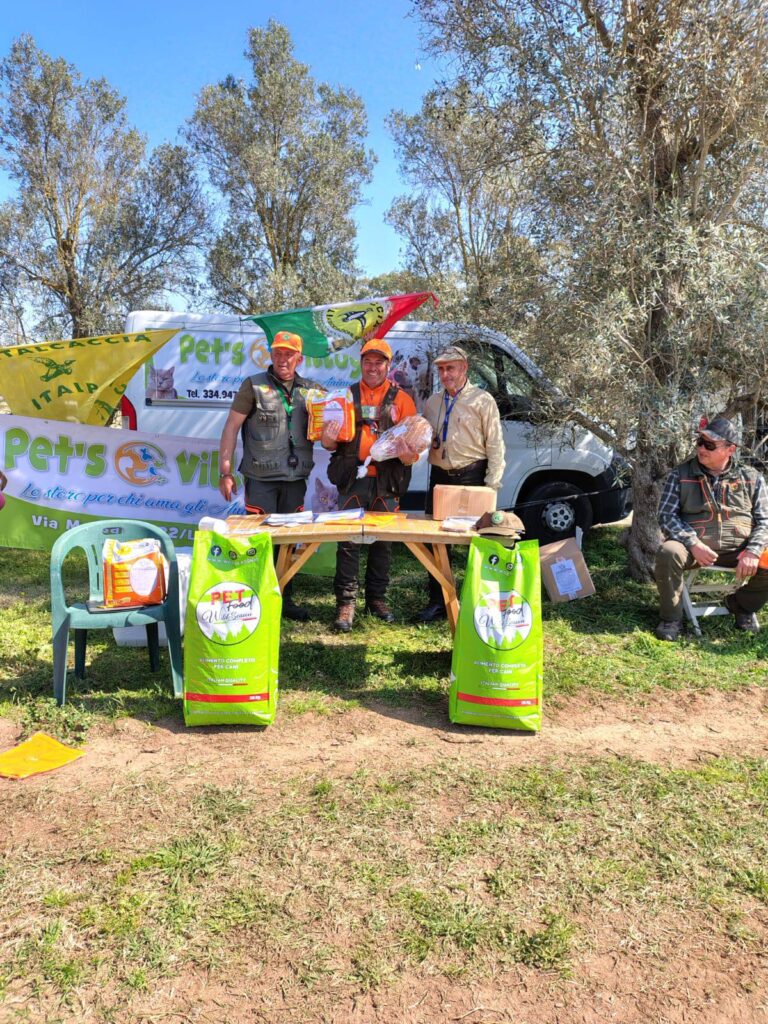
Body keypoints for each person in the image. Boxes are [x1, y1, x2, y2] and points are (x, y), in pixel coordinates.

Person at [218, 330, 318, 621]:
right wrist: (225, 471)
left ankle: (285, 600)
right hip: (260, 479)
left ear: (299, 358)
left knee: (288, 542)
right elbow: (230, 428)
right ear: (271, 355)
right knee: (257, 541)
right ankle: (253, 598)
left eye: (289, 354)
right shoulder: (253, 386)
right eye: (278, 353)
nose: (282, 359)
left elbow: (330, 425)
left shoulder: (312, 391)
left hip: (295, 479)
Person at [321, 338, 418, 632]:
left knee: (383, 544)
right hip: (352, 479)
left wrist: (406, 452)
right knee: (348, 542)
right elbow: (327, 444)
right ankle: (346, 603)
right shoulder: (344, 397)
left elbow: (413, 454)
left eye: (379, 362)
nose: (372, 367)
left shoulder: (403, 400)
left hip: (387, 481)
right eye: (368, 361)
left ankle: (377, 599)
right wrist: (328, 434)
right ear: (361, 363)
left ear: (388, 366)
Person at [414, 344, 506, 623]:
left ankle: (477, 602)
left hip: (472, 477)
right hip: (440, 478)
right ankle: (439, 602)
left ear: (464, 368)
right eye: (441, 369)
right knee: (437, 543)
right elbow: (423, 438)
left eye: (450, 368)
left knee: (475, 543)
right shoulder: (432, 402)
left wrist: (491, 486)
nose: (445, 374)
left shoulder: (483, 400)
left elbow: (495, 445)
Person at [655, 416, 768, 640]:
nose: (701, 449)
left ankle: (740, 605)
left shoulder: (753, 478)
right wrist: (692, 543)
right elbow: (666, 515)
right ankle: (671, 619)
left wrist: (753, 551)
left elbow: (765, 521)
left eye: (709, 445)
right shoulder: (680, 474)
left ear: (730, 449)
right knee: (668, 552)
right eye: (700, 442)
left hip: (740, 550)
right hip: (694, 550)